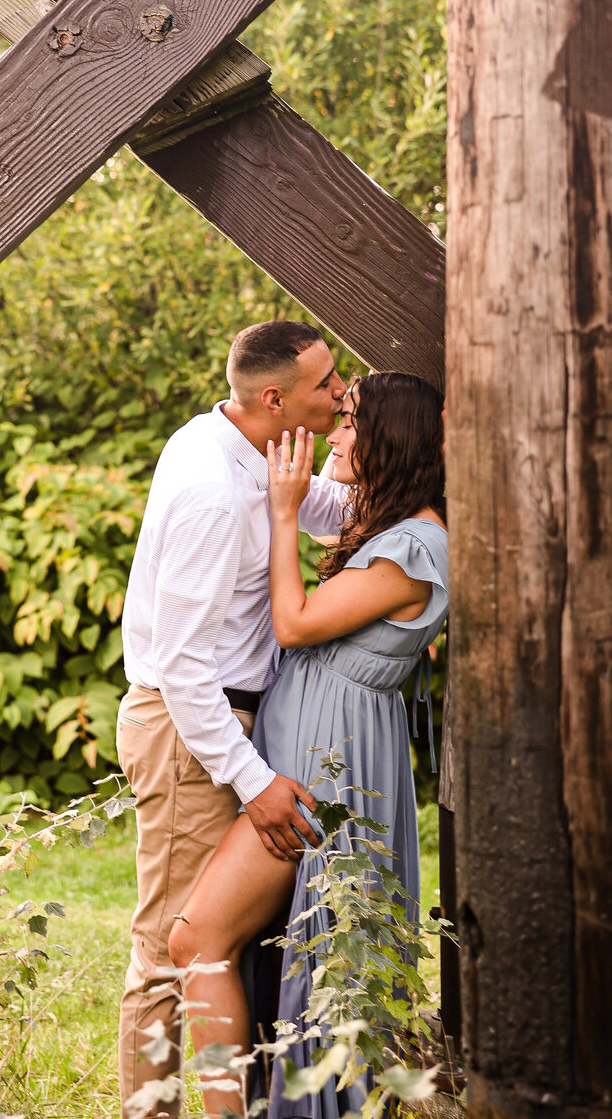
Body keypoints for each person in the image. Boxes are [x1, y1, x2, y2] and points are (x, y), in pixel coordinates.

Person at [169, 372, 448, 1119]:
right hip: (303, 756)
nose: (334, 433)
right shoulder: (391, 530)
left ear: (389, 436)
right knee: (250, 952)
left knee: (198, 941)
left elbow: (292, 622)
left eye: (349, 421)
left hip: (330, 775)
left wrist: (285, 510)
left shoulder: (414, 547)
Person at [117, 321, 350, 1119]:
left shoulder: (247, 447)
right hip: (191, 732)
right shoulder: (213, 491)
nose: (341, 393)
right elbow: (181, 666)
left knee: (215, 944)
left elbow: (317, 507)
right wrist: (252, 781)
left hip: (221, 722)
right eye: (327, 384)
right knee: (168, 951)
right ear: (277, 398)